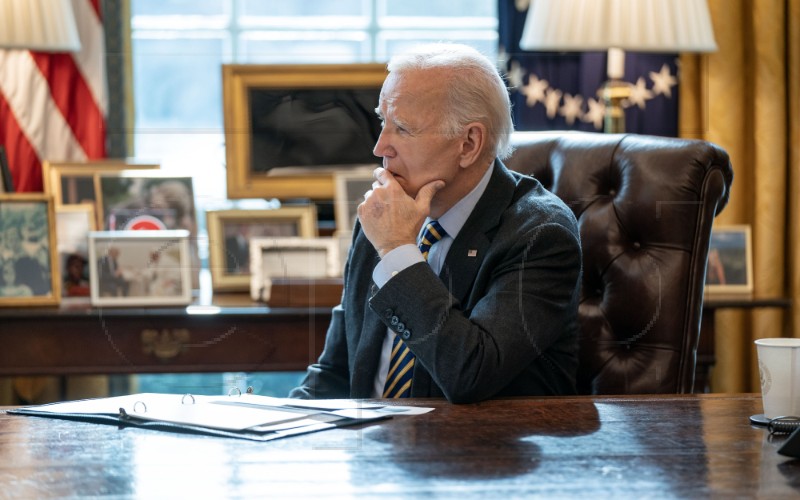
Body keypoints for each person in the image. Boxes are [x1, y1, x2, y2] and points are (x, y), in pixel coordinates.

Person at [289, 43, 582, 404]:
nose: (380, 147)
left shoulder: (541, 234)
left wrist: (398, 251)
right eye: (383, 121)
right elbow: (337, 371)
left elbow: (470, 374)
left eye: (403, 129)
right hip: (372, 449)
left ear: (468, 144)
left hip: (481, 452)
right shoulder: (381, 216)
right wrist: (273, 435)